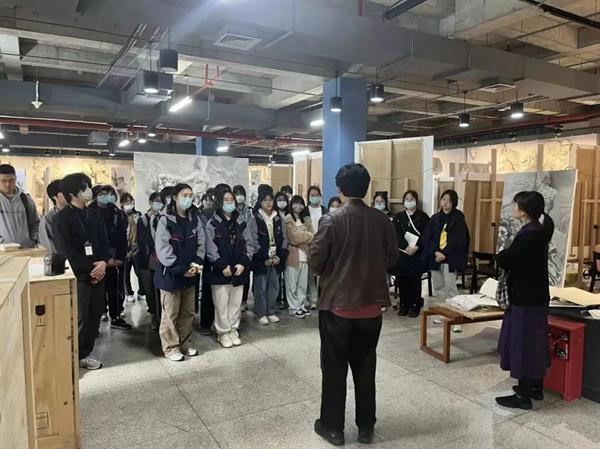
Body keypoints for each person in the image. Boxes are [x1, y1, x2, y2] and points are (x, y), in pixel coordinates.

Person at [309, 163, 397, 446]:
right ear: (367, 188)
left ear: (339, 188)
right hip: (371, 307)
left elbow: (315, 260)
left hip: (337, 306)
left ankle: (333, 428)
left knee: (334, 369)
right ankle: (366, 427)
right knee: (366, 367)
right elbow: (392, 258)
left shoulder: (331, 219)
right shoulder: (382, 220)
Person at [495, 191, 554, 411]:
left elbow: (509, 259)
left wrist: (500, 255)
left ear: (523, 211)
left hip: (525, 299)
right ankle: (536, 387)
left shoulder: (529, 234)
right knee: (535, 343)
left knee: (523, 344)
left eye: (515, 205)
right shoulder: (538, 230)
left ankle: (524, 396)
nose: (512, 207)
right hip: (536, 297)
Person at [53, 173, 109, 370]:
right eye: (85, 187)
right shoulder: (61, 218)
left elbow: (104, 241)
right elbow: (65, 250)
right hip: (79, 275)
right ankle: (72, 356)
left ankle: (85, 353)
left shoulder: (93, 214)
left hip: (99, 273)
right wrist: (92, 269)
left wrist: (103, 262)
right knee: (80, 318)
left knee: (95, 314)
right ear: (72, 193)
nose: (89, 191)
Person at [154, 183, 205, 361]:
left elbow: (201, 243)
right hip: (171, 275)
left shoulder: (195, 218)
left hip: (191, 273)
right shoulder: (165, 220)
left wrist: (196, 264)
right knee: (171, 314)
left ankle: (185, 342)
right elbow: (163, 249)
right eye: (184, 195)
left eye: (190, 195)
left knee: (188, 312)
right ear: (175, 197)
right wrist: (182, 269)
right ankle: (171, 347)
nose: (188, 199)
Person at [205, 186, 253, 348]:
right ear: (219, 202)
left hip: (238, 269)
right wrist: (221, 265)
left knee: (235, 303)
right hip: (220, 271)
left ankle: (233, 329)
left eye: (232, 200)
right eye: (226, 200)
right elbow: (210, 248)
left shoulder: (241, 222)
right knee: (221, 303)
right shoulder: (212, 223)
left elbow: (249, 244)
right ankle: (223, 332)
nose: (230, 203)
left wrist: (243, 262)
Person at [422, 189, 469, 332]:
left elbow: (459, 240)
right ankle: (443, 313)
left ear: (453, 203)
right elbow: (427, 238)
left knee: (450, 288)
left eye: (449, 200)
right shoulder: (435, 218)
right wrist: (435, 252)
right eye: (443, 199)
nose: (445, 203)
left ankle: (455, 317)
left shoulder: (458, 218)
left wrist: (444, 253)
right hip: (436, 258)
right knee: (439, 288)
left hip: (450, 258)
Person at [89, 185, 132, 330]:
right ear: (95, 196)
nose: (105, 196)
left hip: (115, 256)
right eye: (101, 194)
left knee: (116, 288)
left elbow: (122, 237)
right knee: (97, 289)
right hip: (96, 258)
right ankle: (97, 318)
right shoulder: (89, 212)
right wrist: (102, 259)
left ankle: (116, 316)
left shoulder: (118, 213)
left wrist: (119, 257)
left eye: (107, 193)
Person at [248, 190, 288, 325]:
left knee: (274, 287)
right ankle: (261, 313)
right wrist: (263, 257)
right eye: (265, 200)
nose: (268, 203)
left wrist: (279, 256)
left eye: (270, 200)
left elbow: (284, 238)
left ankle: (271, 311)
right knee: (261, 287)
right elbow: (253, 240)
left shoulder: (278, 218)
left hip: (276, 258)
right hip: (261, 260)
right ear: (260, 202)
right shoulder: (255, 218)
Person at [391, 190, 430, 317]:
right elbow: (395, 234)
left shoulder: (423, 217)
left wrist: (417, 247)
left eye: (411, 199)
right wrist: (405, 246)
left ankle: (415, 305)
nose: (409, 201)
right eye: (406, 199)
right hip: (403, 253)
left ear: (416, 201)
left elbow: (426, 235)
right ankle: (404, 305)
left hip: (417, 254)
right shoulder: (398, 217)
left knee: (415, 280)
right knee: (402, 279)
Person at [136, 192, 164, 331]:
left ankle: (162, 317)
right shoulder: (142, 220)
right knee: (149, 290)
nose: (159, 204)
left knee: (160, 290)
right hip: (146, 261)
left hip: (161, 260)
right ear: (151, 202)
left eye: (161, 201)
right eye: (156, 201)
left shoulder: (163, 218)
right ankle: (153, 315)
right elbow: (142, 241)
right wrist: (154, 249)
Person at [285, 195, 314, 319]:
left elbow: (313, 235)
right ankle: (293, 307)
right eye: (296, 203)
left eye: (301, 203)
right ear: (291, 204)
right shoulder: (288, 218)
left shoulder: (306, 219)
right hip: (292, 256)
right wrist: (307, 235)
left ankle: (301, 305)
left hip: (304, 257)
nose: (299, 206)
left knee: (302, 284)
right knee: (292, 285)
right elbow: (294, 238)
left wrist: (303, 235)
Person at [0, 163, 40, 248]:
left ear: (15, 179)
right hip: (2, 251)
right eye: (3, 181)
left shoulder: (25, 199)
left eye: (11, 180)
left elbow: (35, 223)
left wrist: (32, 239)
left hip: (25, 249)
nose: (7, 184)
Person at [303, 185, 327, 309]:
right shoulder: (304, 211)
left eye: (317, 195)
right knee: (310, 274)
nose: (314, 197)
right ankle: (311, 299)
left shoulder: (325, 210)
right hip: (309, 244)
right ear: (308, 197)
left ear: (320, 196)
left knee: (321, 274)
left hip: (322, 244)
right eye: (312, 195)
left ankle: (321, 298)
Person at [120, 192, 144, 302]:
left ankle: (141, 291)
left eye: (131, 202)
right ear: (121, 204)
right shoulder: (120, 215)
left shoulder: (138, 215)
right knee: (125, 272)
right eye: (126, 202)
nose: (129, 204)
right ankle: (128, 293)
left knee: (139, 271)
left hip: (136, 247)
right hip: (124, 248)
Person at [233, 184, 253, 311]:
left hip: (248, 244)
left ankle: (244, 300)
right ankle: (236, 301)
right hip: (236, 245)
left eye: (241, 194)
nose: (239, 196)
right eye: (236, 194)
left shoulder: (250, 210)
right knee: (237, 272)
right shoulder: (231, 210)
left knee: (246, 273)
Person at [39, 179, 67, 253]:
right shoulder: (48, 219)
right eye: (64, 192)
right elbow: (49, 245)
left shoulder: (76, 214)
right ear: (54, 196)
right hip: (60, 258)